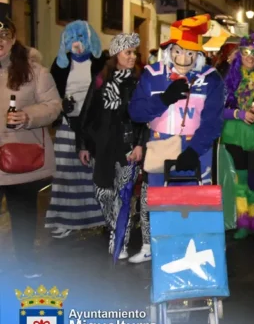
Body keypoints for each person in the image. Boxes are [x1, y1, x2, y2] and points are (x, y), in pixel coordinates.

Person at [128, 14, 225, 263]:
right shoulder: (152, 74)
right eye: (179, 52)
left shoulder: (211, 78)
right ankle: (155, 248)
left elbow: (213, 121)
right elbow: (136, 112)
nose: (184, 59)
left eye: (191, 54)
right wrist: (163, 99)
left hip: (195, 149)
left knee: (193, 206)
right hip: (161, 146)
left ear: (198, 55)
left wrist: (194, 150)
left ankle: (194, 254)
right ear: (170, 50)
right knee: (158, 202)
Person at [76, 33, 147, 259]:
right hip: (103, 145)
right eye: (128, 52)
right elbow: (88, 111)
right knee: (103, 192)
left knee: (124, 195)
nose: (132, 56)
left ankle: (120, 243)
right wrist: (84, 144)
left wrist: (140, 144)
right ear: (116, 53)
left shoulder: (140, 80)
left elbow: (146, 117)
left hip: (127, 147)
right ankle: (116, 229)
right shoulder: (101, 79)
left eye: (134, 53)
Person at [0, 19, 62, 278]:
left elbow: (53, 105)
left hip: (19, 160)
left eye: (4, 35)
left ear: (13, 39)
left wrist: (27, 116)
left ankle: (27, 263)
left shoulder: (34, 72)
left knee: (23, 216)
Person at [46, 20, 106, 238]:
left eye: (81, 39)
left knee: (93, 174)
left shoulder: (100, 64)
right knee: (65, 174)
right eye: (71, 40)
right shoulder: (60, 65)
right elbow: (51, 92)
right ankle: (65, 219)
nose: (76, 44)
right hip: (68, 126)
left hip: (92, 128)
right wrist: (62, 105)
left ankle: (99, 217)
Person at [221, 35, 254, 242]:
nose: (249, 57)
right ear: (239, 56)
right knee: (241, 181)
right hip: (235, 134)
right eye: (245, 53)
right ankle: (243, 223)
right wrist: (240, 114)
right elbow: (219, 109)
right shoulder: (230, 79)